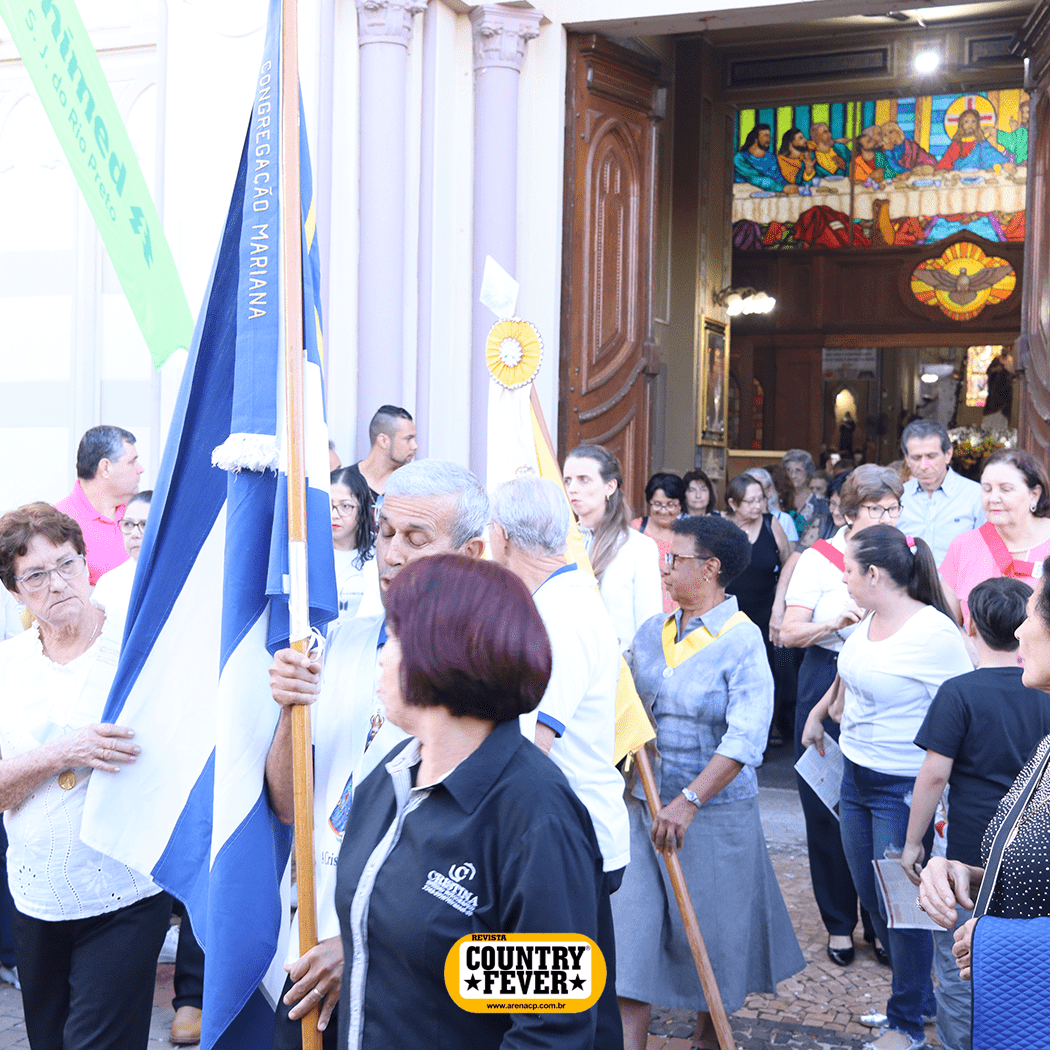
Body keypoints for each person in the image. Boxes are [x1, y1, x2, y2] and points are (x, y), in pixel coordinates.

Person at [335, 554, 604, 1049]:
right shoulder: (392, 774)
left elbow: (549, 1029)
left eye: (394, 637)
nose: (381, 656)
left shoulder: (534, 816)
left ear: (441, 651)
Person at [265, 460, 489, 1048]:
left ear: (470, 552)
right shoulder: (338, 645)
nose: (392, 555)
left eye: (416, 538)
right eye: (386, 532)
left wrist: (361, 944)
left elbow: (475, 866)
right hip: (311, 946)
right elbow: (288, 805)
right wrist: (291, 711)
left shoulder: (489, 677)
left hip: (417, 984)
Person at [614, 514, 804, 1050]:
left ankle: (706, 1038)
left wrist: (690, 800)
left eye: (674, 558)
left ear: (710, 568)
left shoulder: (742, 640)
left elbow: (746, 740)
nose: (664, 568)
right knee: (631, 939)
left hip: (714, 818)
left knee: (713, 942)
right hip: (644, 808)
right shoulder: (652, 632)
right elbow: (621, 701)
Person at [0, 503, 171, 1049]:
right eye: (34, 575)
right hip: (37, 892)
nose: (57, 583)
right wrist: (62, 753)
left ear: (86, 562)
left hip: (125, 889)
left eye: (66, 564)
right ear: (15, 591)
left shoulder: (137, 649)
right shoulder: (8, 667)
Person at [803, 525, 972, 1050]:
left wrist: (934, 807)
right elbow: (849, 673)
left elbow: (962, 708)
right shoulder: (869, 618)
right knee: (875, 902)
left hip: (901, 787)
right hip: (854, 776)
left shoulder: (935, 634)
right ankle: (918, 999)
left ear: (874, 574)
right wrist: (819, 712)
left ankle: (906, 1024)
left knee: (904, 909)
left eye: (849, 570)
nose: (844, 579)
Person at [488, 475, 630, 1050]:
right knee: (577, 1000)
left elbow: (531, 745)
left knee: (558, 1007)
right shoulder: (557, 601)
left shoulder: (559, 614)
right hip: (564, 832)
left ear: (500, 537)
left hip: (561, 839)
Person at [902, 577, 1050, 1050]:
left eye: (1034, 613)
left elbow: (933, 775)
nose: (1022, 630)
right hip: (1016, 995)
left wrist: (998, 941)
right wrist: (962, 871)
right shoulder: (1045, 744)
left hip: (1030, 1000)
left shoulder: (960, 692)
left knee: (956, 990)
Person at [781, 465, 904, 969]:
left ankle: (882, 922)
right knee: (825, 802)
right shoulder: (820, 559)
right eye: (876, 509)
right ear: (849, 512)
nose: (887, 518)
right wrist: (833, 623)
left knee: (883, 804)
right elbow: (788, 633)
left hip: (888, 684)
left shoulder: (907, 552)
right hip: (825, 675)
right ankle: (838, 921)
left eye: (893, 508)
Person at [563, 445, 663, 650]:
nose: (572, 488)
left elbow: (649, 626)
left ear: (610, 486)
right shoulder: (559, 544)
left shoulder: (639, 547)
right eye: (567, 480)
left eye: (583, 479)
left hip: (619, 663)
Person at [940, 448, 1050, 627]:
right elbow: (946, 624)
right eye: (987, 489)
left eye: (1005, 489)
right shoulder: (964, 545)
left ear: (1034, 494)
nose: (993, 498)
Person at [54, 425, 144, 585]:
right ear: (105, 468)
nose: (140, 469)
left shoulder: (143, 512)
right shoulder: (57, 524)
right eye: (132, 462)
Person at [896, 420, 984, 566]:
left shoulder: (975, 495)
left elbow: (988, 551)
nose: (923, 466)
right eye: (916, 458)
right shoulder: (898, 497)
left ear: (948, 454)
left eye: (931, 456)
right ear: (907, 459)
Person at [328, 467, 381, 623]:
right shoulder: (307, 554)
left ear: (362, 509)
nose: (334, 515)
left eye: (345, 506)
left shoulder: (378, 554)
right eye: (328, 505)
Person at [632, 472, 685, 613]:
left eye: (671, 505)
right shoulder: (636, 530)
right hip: (642, 609)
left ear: (680, 505)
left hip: (678, 613)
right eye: (657, 504)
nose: (663, 511)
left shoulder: (687, 535)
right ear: (649, 503)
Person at [354, 405, 417, 506]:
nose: (415, 446)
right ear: (383, 441)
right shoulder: (342, 482)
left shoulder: (413, 487)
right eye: (408, 439)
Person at [782, 449, 827, 532]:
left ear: (808, 472)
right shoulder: (781, 498)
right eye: (789, 470)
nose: (793, 475)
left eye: (798, 470)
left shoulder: (819, 501)